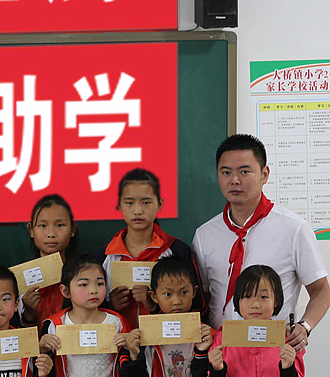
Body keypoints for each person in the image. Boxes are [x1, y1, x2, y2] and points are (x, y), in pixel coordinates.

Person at [191, 134, 327, 351]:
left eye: (244, 172)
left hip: (274, 353)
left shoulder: (294, 228)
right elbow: (204, 297)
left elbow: (321, 290)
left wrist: (305, 326)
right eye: (226, 172)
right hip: (221, 354)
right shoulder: (204, 235)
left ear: (264, 175)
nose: (235, 180)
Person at [104, 168, 201, 318]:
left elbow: (197, 306)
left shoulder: (177, 250)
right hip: (120, 333)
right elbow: (88, 310)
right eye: (129, 202)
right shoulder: (105, 256)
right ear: (119, 205)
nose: (138, 210)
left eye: (146, 202)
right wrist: (110, 307)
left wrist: (155, 307)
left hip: (164, 334)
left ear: (159, 204)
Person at [21, 194, 80, 327]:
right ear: (31, 230)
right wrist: (29, 314)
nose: (51, 234)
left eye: (60, 225)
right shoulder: (21, 279)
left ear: (72, 229)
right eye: (42, 225)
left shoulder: (84, 274)